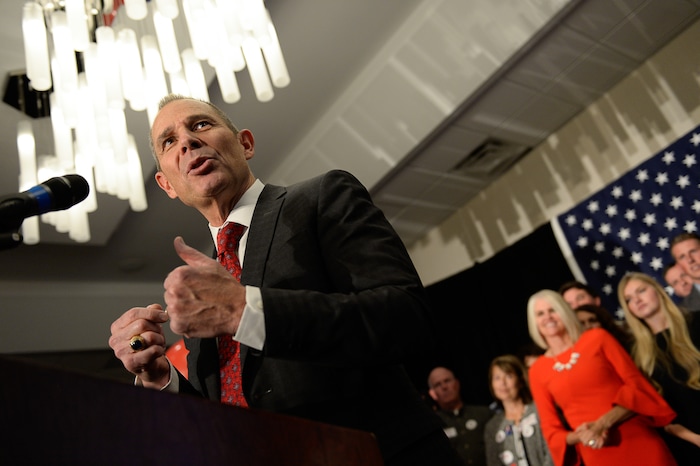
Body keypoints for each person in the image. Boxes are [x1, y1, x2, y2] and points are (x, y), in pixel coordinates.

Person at [108, 95, 463, 466]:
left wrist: (247, 311)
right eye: (169, 141)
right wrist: (160, 378)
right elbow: (225, 413)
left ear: (245, 144)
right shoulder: (202, 287)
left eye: (200, 125)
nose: (187, 141)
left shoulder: (321, 197)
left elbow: (407, 317)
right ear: (167, 185)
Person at [526, 289, 677, 466]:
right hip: (596, 450)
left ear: (564, 312)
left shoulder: (598, 338)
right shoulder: (537, 370)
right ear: (534, 322)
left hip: (635, 438)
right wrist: (583, 435)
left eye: (553, 310)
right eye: (540, 314)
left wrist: (602, 424)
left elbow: (637, 386)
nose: (548, 317)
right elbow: (551, 431)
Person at [618, 272, 700, 465]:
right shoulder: (634, 355)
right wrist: (694, 438)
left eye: (641, 291)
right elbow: (656, 414)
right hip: (688, 445)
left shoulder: (696, 323)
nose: (637, 300)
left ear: (658, 291)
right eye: (629, 299)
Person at [484, 355, 553, 466]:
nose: (502, 383)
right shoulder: (493, 426)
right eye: (497, 378)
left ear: (520, 381)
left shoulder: (539, 409)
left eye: (509, 376)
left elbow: (553, 450)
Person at [427, 366, 493, 465]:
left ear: (457, 384)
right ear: (432, 394)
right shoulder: (432, 426)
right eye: (438, 385)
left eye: (447, 381)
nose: (444, 387)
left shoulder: (484, 414)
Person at [670, 233, 700, 312]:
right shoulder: (686, 311)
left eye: (693, 251)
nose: (690, 260)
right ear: (678, 265)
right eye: (682, 257)